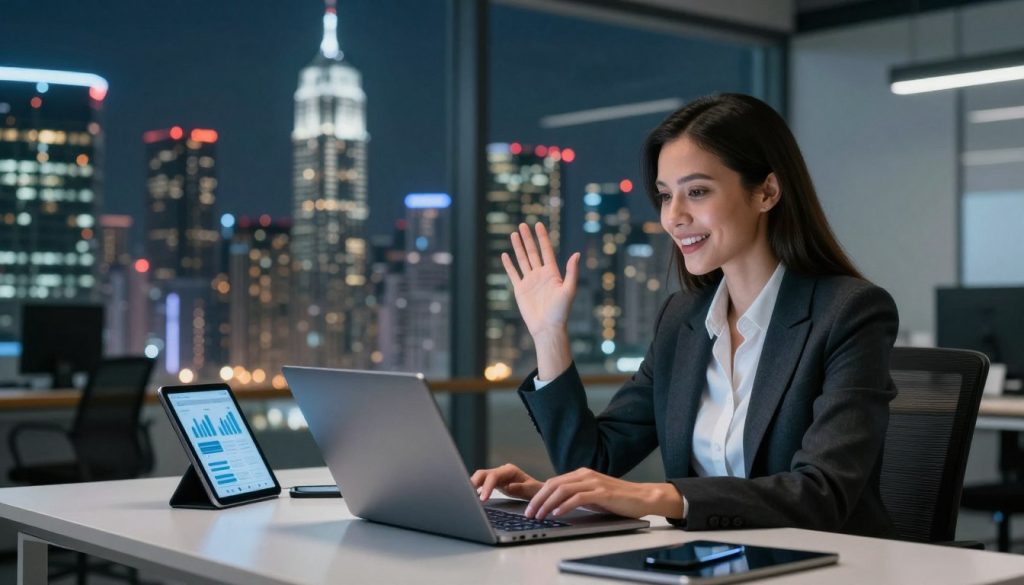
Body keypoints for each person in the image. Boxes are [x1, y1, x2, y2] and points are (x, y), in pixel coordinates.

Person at [470, 93, 898, 537]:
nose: (673, 217)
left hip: (827, 561)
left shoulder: (849, 313)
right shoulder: (683, 320)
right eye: (664, 195)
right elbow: (594, 461)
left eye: (697, 192)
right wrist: (548, 334)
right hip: (711, 559)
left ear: (766, 192)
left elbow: (822, 494)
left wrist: (656, 496)